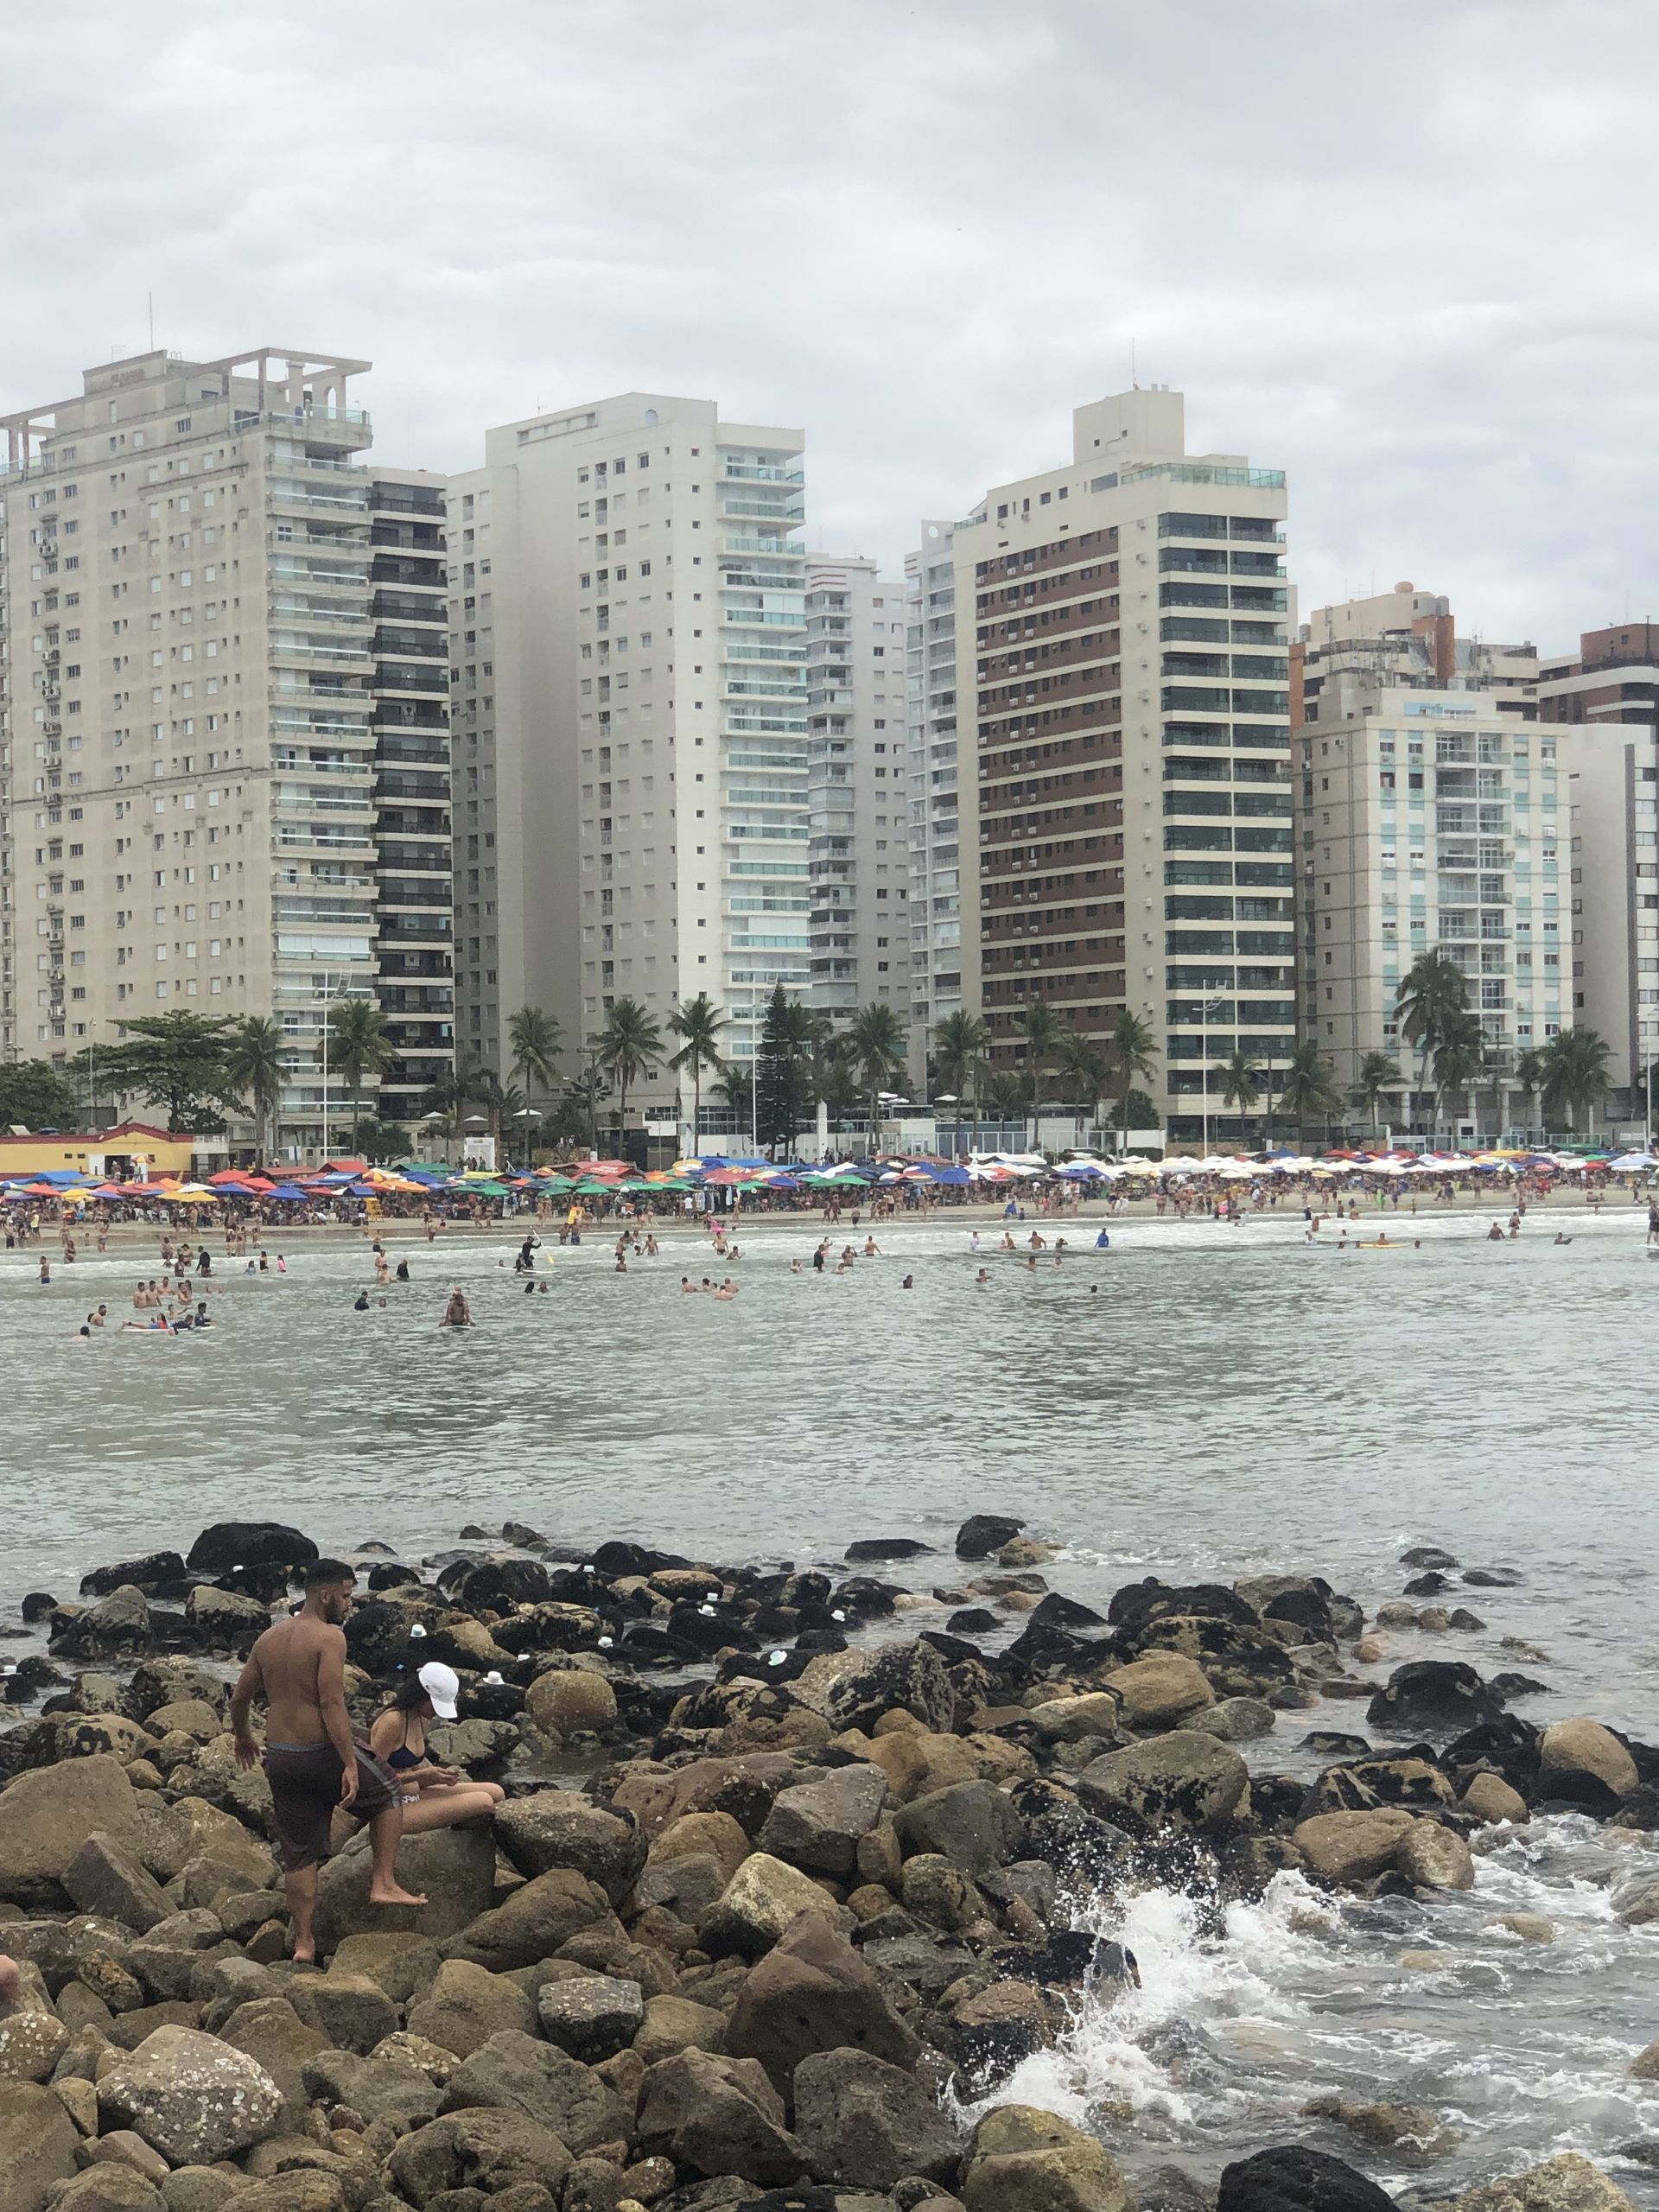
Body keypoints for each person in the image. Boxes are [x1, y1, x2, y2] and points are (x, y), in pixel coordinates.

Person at [230, 1559, 423, 1963]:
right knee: (388, 1790)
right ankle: (384, 1882)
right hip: (319, 1754)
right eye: (348, 1595)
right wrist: (350, 1762)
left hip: (280, 1757)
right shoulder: (329, 1638)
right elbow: (331, 1703)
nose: (350, 1604)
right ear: (326, 1594)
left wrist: (243, 1735)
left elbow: (239, 1698)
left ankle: (303, 1943)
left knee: (298, 1852)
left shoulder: (268, 1639)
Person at [366, 1664, 505, 1834]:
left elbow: (412, 1770)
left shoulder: (421, 1718)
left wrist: (437, 1777)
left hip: (413, 1794)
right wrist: (422, 1775)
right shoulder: (393, 1721)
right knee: (483, 1801)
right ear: (421, 1696)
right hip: (387, 1807)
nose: (436, 1713)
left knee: (496, 1792)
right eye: (434, 1706)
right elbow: (372, 1778)